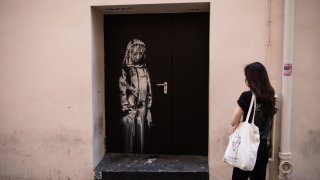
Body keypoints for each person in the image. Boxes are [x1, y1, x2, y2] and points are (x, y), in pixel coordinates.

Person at [230, 62, 277, 180]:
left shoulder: (246, 96)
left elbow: (233, 121)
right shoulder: (270, 96)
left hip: (247, 146)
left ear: (251, 79)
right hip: (262, 148)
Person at [119, 38, 152, 153]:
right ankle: (128, 157)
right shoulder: (126, 70)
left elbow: (149, 89)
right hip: (130, 108)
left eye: (140, 54)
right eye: (135, 54)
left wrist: (149, 107)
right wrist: (124, 105)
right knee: (129, 133)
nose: (138, 57)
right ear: (129, 53)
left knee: (141, 131)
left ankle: (141, 155)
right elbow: (122, 87)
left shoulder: (144, 70)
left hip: (143, 107)